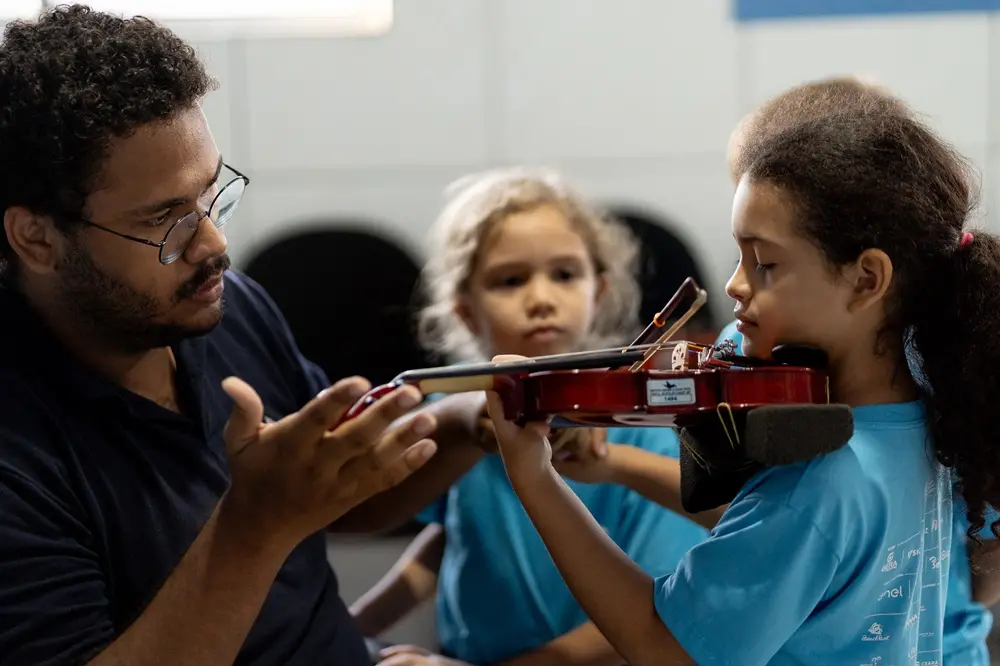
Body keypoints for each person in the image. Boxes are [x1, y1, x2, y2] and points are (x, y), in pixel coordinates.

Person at [0, 6, 489, 665]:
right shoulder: (18, 445)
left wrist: (473, 419)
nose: (215, 243)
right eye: (166, 219)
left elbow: (334, 498)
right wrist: (254, 525)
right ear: (36, 238)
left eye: (211, 195)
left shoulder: (217, 307)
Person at [484, 103, 1000, 664]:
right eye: (739, 256)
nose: (734, 285)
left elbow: (665, 647)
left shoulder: (819, 480)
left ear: (866, 279)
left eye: (765, 264)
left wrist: (534, 476)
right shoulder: (932, 423)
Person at [348, 167, 710, 666]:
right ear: (466, 311)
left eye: (565, 275)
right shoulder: (456, 416)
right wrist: (349, 628)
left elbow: (657, 604)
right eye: (511, 280)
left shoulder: (641, 427)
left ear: (597, 291)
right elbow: (455, 537)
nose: (541, 299)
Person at [722, 76, 1000, 666]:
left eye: (766, 258)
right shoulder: (949, 358)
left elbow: (774, 523)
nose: (736, 285)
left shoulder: (833, 468)